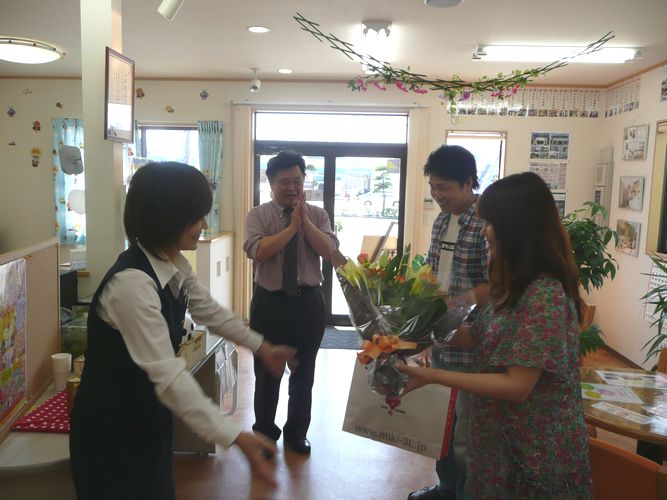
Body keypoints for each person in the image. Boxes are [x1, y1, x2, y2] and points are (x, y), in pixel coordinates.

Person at [70, 162, 295, 500]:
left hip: (146, 421)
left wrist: (261, 346)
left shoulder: (173, 263)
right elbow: (169, 377)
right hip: (110, 433)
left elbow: (210, 311)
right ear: (167, 218)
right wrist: (235, 436)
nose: (203, 225)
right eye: (196, 216)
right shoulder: (131, 285)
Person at [399, 172, 592, 498]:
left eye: (491, 223)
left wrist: (432, 376)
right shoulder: (512, 282)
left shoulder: (545, 293)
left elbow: (517, 385)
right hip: (497, 442)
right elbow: (478, 335)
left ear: (518, 229)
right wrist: (415, 330)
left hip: (533, 451)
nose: (484, 231)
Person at [243, 150, 339, 455]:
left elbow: (329, 251)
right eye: (285, 181)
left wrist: (305, 223)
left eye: (297, 180)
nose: (292, 187)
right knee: (266, 372)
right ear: (271, 182)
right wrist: (290, 229)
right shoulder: (257, 215)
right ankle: (265, 434)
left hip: (308, 302)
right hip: (269, 302)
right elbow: (259, 251)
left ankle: (297, 434)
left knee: (304, 371)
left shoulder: (318, 214)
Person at [409, 145, 488, 500]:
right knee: (443, 420)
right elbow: (433, 270)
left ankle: (464, 492)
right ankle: (445, 487)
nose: (437, 195)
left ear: (469, 182)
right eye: (433, 187)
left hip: (472, 341)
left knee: (466, 434)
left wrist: (460, 301)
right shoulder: (442, 220)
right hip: (441, 336)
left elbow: (498, 284)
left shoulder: (487, 223)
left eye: (444, 188)